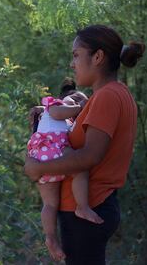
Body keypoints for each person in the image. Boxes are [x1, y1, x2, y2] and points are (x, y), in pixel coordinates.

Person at [25, 24, 145, 264]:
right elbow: (78, 137)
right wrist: (48, 118)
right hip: (92, 207)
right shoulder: (110, 95)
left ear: (98, 57)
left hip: (87, 210)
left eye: (76, 55)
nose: (72, 64)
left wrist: (38, 169)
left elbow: (90, 155)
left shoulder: (107, 96)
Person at [27, 79, 103, 261]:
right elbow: (57, 111)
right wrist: (78, 107)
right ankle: (82, 206)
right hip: (53, 152)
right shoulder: (57, 104)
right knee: (80, 170)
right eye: (79, 100)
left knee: (49, 204)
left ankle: (51, 237)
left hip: (44, 158)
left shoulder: (66, 122)